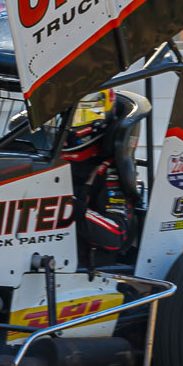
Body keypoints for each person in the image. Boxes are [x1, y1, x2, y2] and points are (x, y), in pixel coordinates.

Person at [61, 89, 135, 265]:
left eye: (81, 115)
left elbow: (116, 235)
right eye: (67, 115)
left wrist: (68, 207)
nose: (70, 122)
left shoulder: (108, 170)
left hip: (84, 272)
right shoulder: (50, 159)